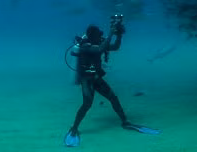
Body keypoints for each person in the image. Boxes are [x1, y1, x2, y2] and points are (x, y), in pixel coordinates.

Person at [64, 15, 159, 147]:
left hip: (96, 77)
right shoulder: (85, 46)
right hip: (87, 80)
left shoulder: (99, 41)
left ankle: (125, 121)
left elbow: (114, 47)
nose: (100, 36)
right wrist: (110, 33)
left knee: (113, 98)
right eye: (98, 35)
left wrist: (119, 35)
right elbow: (100, 49)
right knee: (87, 104)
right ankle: (74, 128)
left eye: (100, 35)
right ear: (91, 36)